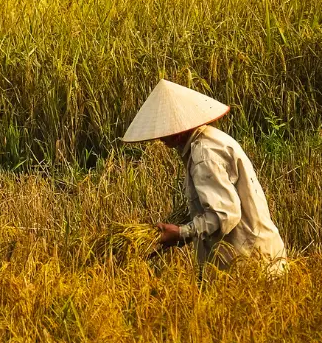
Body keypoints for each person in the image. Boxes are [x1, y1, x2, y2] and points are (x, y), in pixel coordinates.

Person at [122, 79, 288, 275]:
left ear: (178, 131)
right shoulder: (211, 139)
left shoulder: (204, 155)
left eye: (164, 132)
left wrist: (181, 232)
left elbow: (223, 215)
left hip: (249, 266)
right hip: (255, 259)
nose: (160, 138)